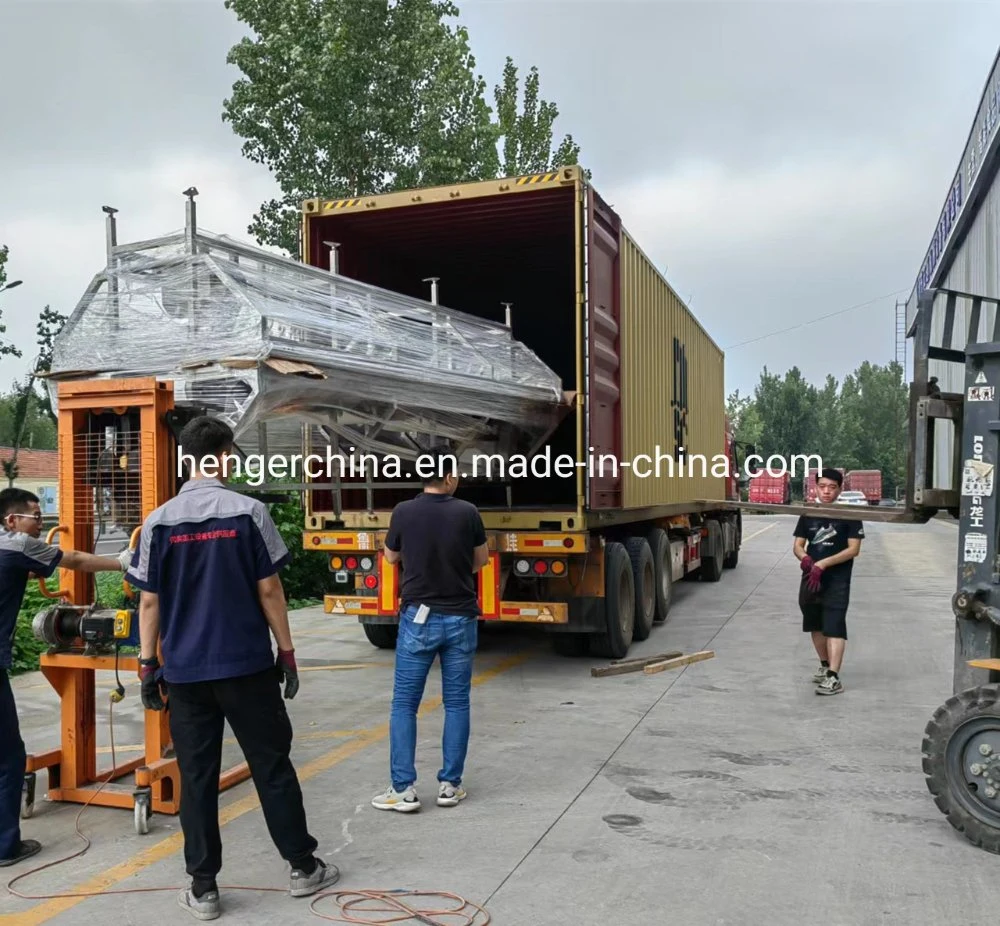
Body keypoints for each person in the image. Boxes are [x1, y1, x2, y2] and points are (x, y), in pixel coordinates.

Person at [125, 416, 338, 921]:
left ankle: (204, 889)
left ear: (186, 459)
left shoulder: (158, 522)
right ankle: (302, 867)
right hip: (246, 668)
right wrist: (286, 654)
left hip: (186, 675)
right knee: (271, 765)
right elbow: (270, 590)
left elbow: (148, 603)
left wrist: (147, 665)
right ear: (222, 456)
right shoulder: (250, 512)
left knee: (197, 778)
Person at [0, 488, 132, 868]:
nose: (42, 524)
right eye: (35, 517)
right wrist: (121, 563)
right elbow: (70, 558)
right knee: (8, 757)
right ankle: (5, 846)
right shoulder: (18, 544)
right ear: (12, 521)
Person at [371, 449, 489, 813]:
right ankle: (450, 786)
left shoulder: (404, 512)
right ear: (450, 477)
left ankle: (403, 790)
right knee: (456, 702)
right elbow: (481, 560)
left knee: (404, 704)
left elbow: (390, 558)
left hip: (417, 619)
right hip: (460, 618)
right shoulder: (467, 512)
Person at [793, 468, 864, 695]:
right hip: (811, 577)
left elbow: (854, 549)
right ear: (816, 487)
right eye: (822, 487)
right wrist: (806, 560)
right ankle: (825, 666)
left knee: (834, 623)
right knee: (814, 621)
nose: (826, 492)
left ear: (840, 489)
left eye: (832, 487)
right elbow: (798, 545)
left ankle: (834, 677)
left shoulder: (849, 514)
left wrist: (824, 564)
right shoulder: (808, 514)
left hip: (837, 579)